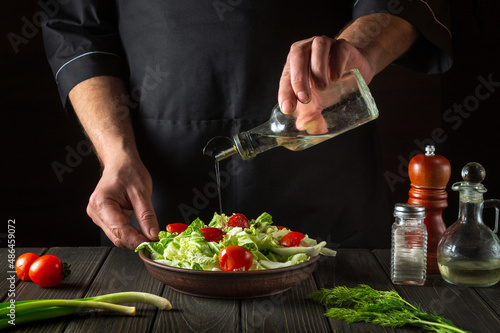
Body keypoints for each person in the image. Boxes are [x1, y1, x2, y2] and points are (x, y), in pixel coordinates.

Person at [41, 1, 452, 250]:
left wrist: (358, 49)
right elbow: (77, 28)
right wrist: (116, 153)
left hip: (325, 177)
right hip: (155, 184)